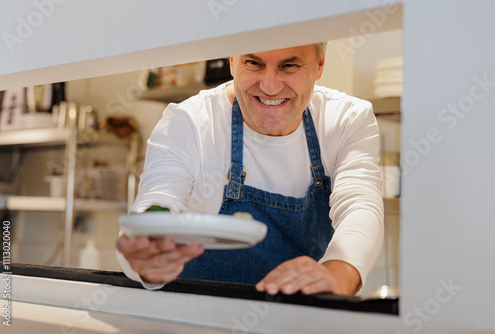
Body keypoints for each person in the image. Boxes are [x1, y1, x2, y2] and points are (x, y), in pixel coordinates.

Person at [116, 42, 384, 296]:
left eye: (289, 66)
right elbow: (154, 206)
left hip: (302, 321)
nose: (269, 86)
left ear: (320, 64)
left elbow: (360, 207)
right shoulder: (188, 123)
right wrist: (147, 259)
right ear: (232, 61)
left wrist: (340, 274)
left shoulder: (348, 120)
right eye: (253, 63)